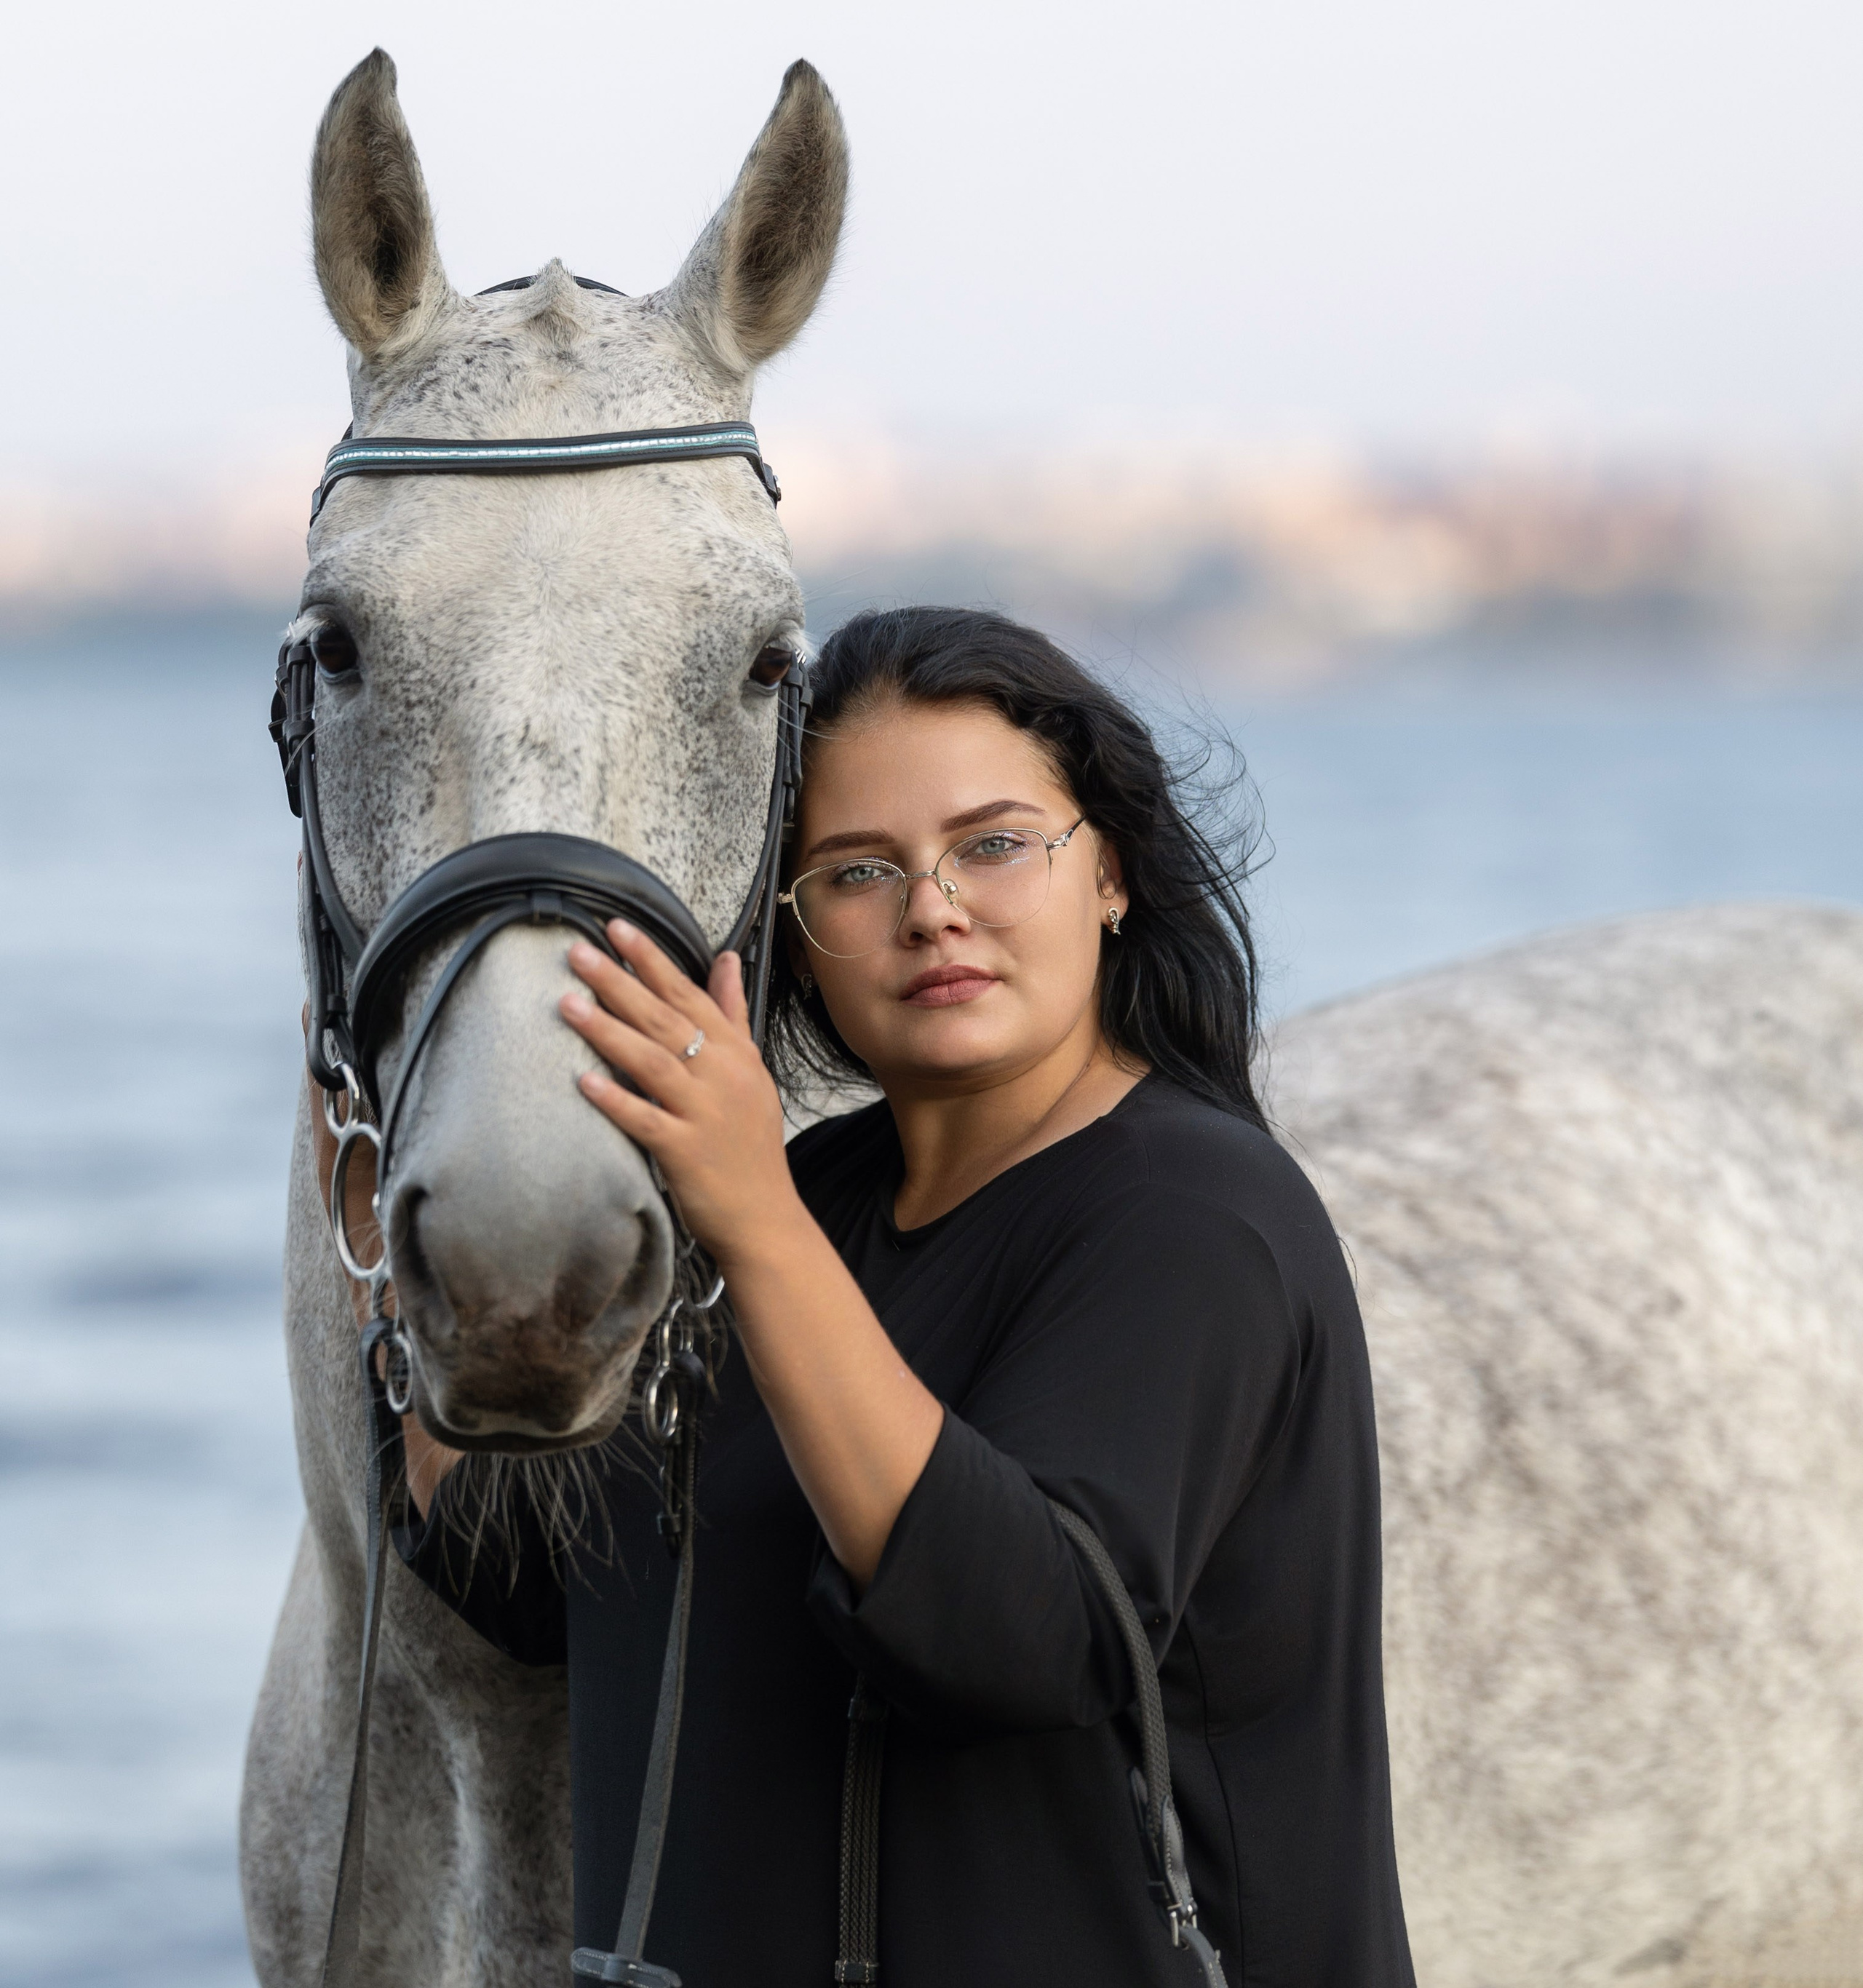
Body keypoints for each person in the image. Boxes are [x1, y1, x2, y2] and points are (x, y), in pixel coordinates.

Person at [326, 605, 1415, 1986]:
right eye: (855, 872)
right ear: (794, 930)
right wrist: (418, 1273)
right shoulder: (810, 1192)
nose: (932, 909)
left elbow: (1016, 1639)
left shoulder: (1197, 1217)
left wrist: (754, 1220)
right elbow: (550, 1585)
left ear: (1113, 873)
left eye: (996, 845)